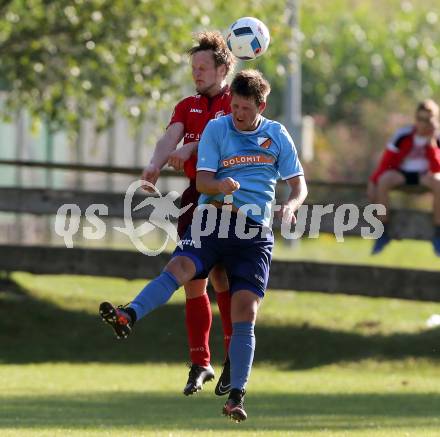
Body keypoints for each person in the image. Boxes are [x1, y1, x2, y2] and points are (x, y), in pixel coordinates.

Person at [99, 69, 307, 421]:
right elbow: (203, 179)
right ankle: (128, 314)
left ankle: (236, 396)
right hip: (212, 221)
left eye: (245, 108)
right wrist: (220, 185)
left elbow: (299, 184)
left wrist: (291, 204)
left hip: (253, 234)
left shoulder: (277, 135)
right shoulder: (218, 127)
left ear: (261, 105)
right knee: (179, 269)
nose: (238, 114)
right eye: (235, 106)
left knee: (246, 311)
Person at [139, 31, 236, 396]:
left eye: (203, 67)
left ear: (223, 68)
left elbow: (230, 141)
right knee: (193, 281)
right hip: (196, 196)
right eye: (193, 68)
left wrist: (193, 145)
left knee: (223, 279)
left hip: (229, 197)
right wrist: (154, 163)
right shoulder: (187, 105)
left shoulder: (237, 102)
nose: (197, 73)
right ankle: (201, 362)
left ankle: (233, 363)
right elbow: (171, 137)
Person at [367, 99, 440, 255]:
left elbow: (436, 168)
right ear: (415, 119)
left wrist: (431, 143)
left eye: (428, 119)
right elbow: (386, 162)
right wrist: (373, 181)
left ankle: (438, 234)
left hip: (426, 176)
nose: (424, 124)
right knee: (383, 180)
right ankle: (383, 232)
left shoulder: (438, 137)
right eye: (420, 119)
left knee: (439, 182)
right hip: (402, 174)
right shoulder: (403, 135)